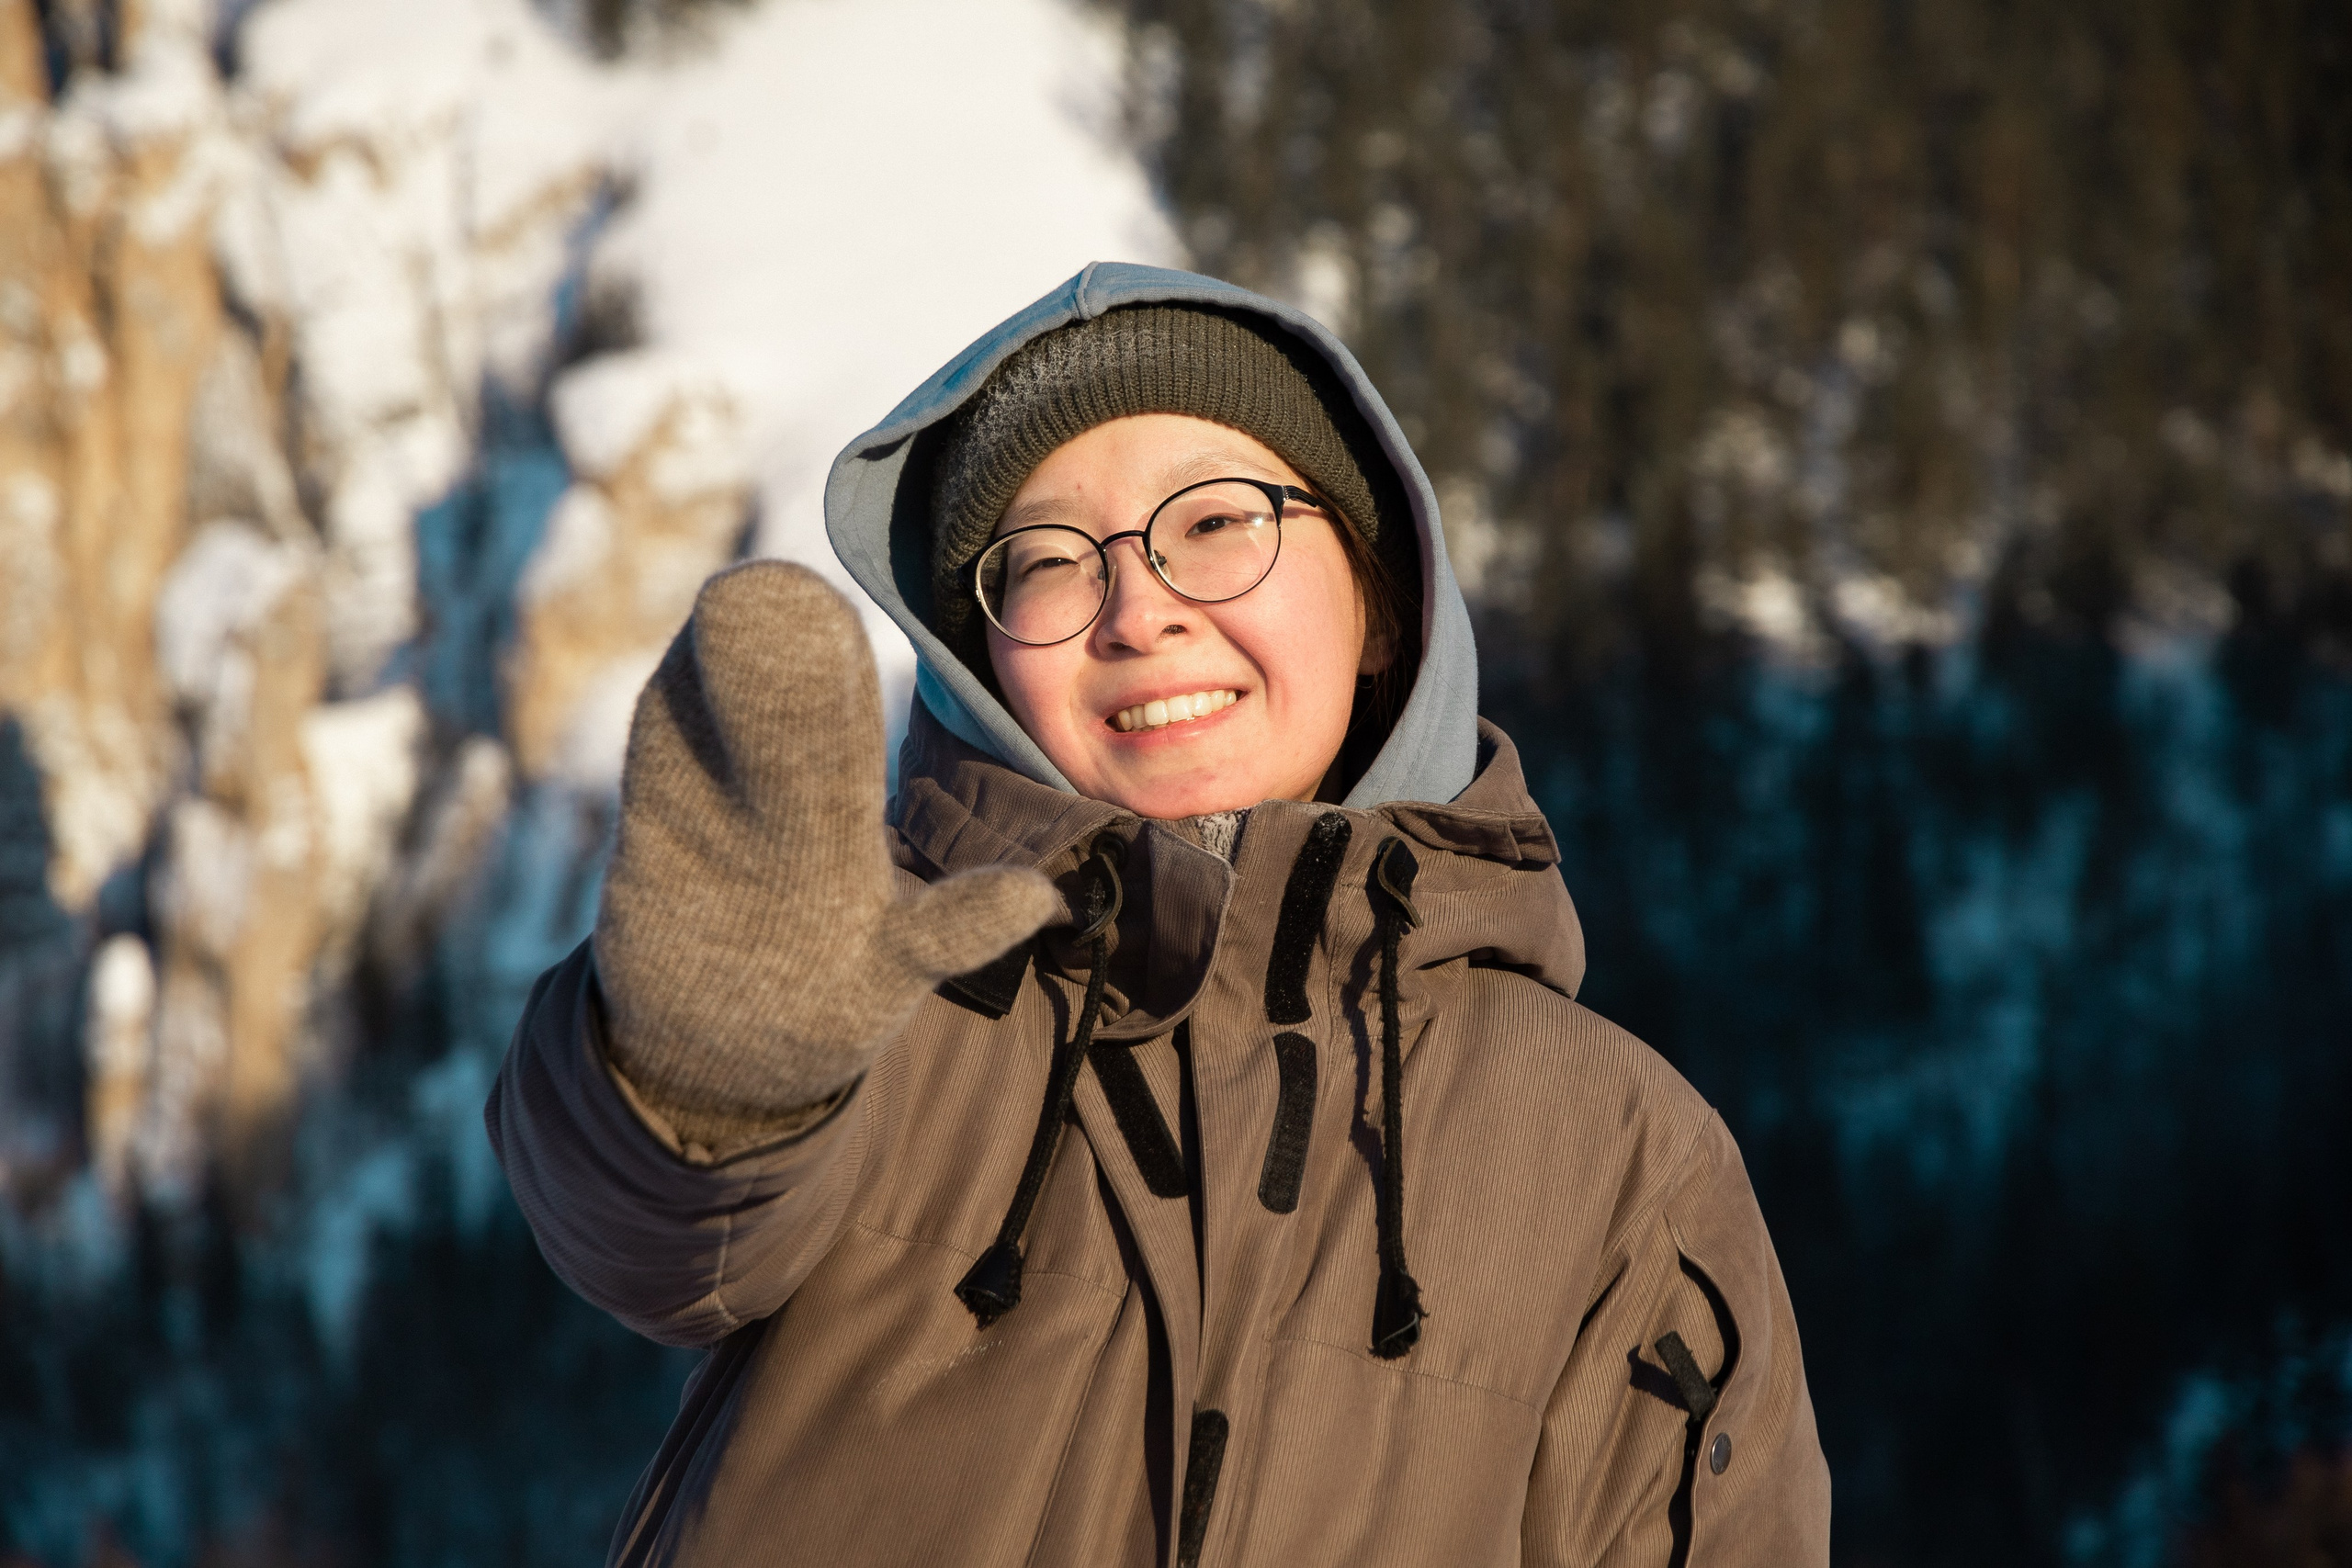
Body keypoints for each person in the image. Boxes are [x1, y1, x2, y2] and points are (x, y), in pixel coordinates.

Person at [488, 263, 1830, 1567]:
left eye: (1217, 522)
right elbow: (651, 1238)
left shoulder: (1621, 1156)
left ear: (1376, 600)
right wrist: (705, 1081)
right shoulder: (874, 983)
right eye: (1048, 560)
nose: (1138, 609)